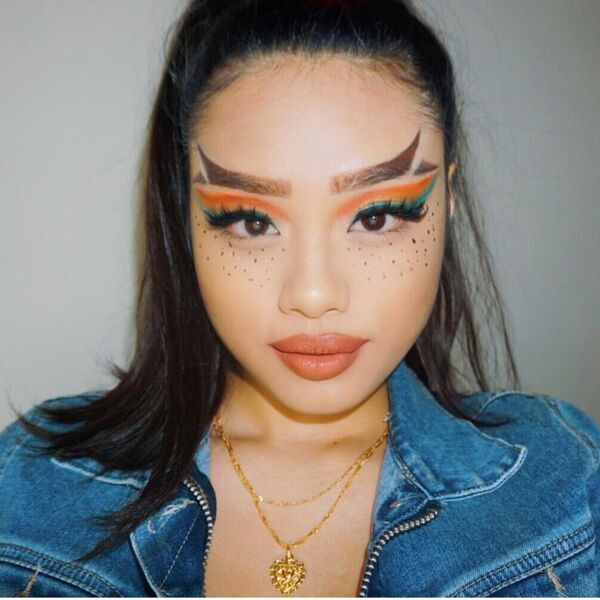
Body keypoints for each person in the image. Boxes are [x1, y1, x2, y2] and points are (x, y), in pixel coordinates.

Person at [0, 0, 598, 596]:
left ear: (448, 200)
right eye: (252, 221)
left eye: (377, 216)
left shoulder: (565, 483)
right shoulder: (29, 487)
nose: (313, 295)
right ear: (186, 218)